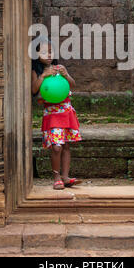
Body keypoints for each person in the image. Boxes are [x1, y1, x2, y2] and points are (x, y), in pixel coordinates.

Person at [32, 36, 83, 190]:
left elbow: (72, 85)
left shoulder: (59, 69)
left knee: (66, 145)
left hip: (66, 111)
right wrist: (43, 76)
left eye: (50, 51)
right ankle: (56, 177)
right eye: (43, 52)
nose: (48, 55)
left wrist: (66, 74)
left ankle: (66, 177)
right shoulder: (36, 71)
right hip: (52, 113)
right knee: (56, 146)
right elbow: (34, 90)